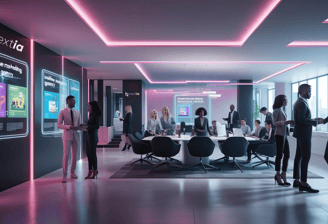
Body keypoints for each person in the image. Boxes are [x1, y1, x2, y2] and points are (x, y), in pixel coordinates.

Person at [293, 84, 322, 193]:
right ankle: (303, 184)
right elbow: (302, 120)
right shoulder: (301, 103)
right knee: (306, 157)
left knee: (299, 156)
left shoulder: (299, 102)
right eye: (309, 91)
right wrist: (315, 122)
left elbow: (302, 118)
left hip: (300, 133)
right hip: (304, 134)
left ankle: (297, 180)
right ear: (303, 91)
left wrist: (314, 119)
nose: (310, 93)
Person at [57, 95, 81, 183]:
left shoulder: (78, 113)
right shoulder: (62, 112)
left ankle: (73, 172)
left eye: (74, 100)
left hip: (76, 136)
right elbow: (59, 125)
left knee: (75, 156)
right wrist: (69, 127)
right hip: (67, 136)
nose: (74, 102)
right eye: (72, 101)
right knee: (66, 155)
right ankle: (64, 175)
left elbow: (79, 124)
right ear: (68, 102)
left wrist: (81, 127)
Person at [272, 95, 294, 186]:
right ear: (281, 101)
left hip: (284, 136)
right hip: (279, 135)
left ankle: (283, 173)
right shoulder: (276, 110)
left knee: (287, 155)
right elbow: (274, 123)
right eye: (285, 100)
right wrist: (285, 122)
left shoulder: (283, 111)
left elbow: (285, 124)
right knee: (279, 155)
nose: (287, 102)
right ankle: (277, 174)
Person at [82, 101, 101, 179]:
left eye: (89, 105)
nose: (88, 107)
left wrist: (88, 126)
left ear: (93, 106)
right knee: (89, 155)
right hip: (88, 137)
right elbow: (89, 125)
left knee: (93, 155)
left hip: (93, 137)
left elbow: (97, 126)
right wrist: (84, 125)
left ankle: (95, 170)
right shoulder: (91, 115)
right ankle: (90, 171)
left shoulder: (96, 115)